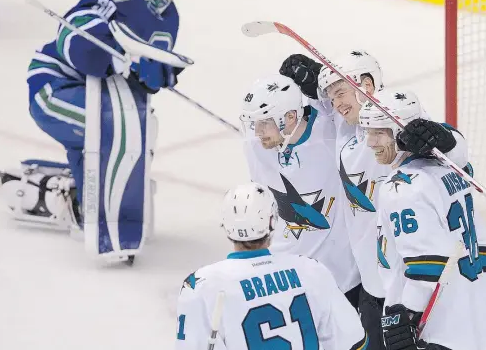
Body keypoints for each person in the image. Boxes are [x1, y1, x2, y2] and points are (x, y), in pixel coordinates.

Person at [0, 0, 189, 262]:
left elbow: (143, 76)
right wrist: (118, 59)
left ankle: (87, 192)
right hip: (56, 85)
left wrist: (158, 76)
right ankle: (94, 207)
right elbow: (73, 39)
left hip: (102, 96)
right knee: (104, 126)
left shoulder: (170, 17)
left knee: (138, 127)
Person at [279, 52, 470, 350]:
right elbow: (327, 105)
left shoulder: (397, 117)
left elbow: (454, 152)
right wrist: (314, 78)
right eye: (332, 96)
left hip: (409, 287)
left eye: (341, 92)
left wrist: (442, 139)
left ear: (367, 85)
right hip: (369, 283)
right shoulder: (345, 123)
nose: (337, 103)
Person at [359, 89, 486, 350]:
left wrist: (407, 317)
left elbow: (427, 263)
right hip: (473, 313)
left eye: (378, 132)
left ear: (401, 133)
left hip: (435, 326)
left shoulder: (401, 186)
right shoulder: (452, 170)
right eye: (367, 131)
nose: (370, 142)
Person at [175, 182, 369, 350]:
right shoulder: (311, 271)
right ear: (272, 220)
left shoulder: (201, 285)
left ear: (225, 224)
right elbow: (354, 343)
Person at [240, 74, 360, 304]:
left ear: (290, 116)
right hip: (284, 278)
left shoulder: (331, 131)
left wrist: (317, 74)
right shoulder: (254, 144)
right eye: (254, 123)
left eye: (265, 122)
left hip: (341, 278)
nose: (257, 132)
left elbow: (357, 101)